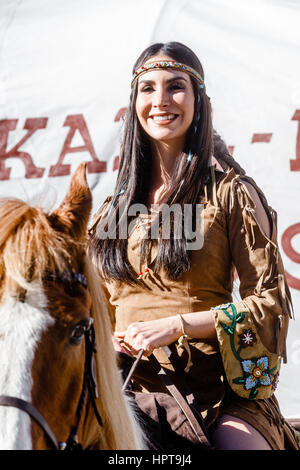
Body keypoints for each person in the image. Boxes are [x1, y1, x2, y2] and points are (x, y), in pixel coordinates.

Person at [88, 41, 299, 450]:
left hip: (218, 397)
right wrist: (108, 339)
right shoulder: (108, 212)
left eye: (175, 86)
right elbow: (92, 307)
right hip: (126, 389)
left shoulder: (231, 194)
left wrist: (176, 326)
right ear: (134, 102)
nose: (161, 100)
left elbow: (269, 305)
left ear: (198, 100)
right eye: (147, 88)